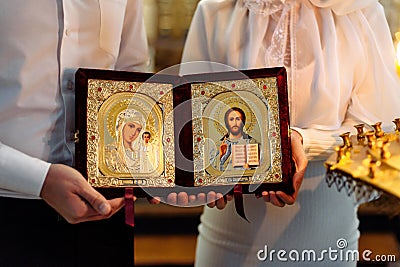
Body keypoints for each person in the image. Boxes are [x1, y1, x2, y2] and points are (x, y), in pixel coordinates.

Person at [180, 0, 400, 266]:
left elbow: (380, 132)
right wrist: (203, 170)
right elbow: (191, 121)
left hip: (326, 239)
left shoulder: (360, 11)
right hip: (230, 239)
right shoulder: (216, 9)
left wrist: (304, 143)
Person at [0, 1, 148, 266]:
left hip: (106, 212)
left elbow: (132, 75)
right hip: (9, 210)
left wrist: (158, 170)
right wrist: (39, 180)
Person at [105, 109, 145, 173]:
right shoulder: (109, 152)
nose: (134, 133)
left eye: (138, 130)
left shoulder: (142, 153)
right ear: (121, 126)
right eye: (131, 126)